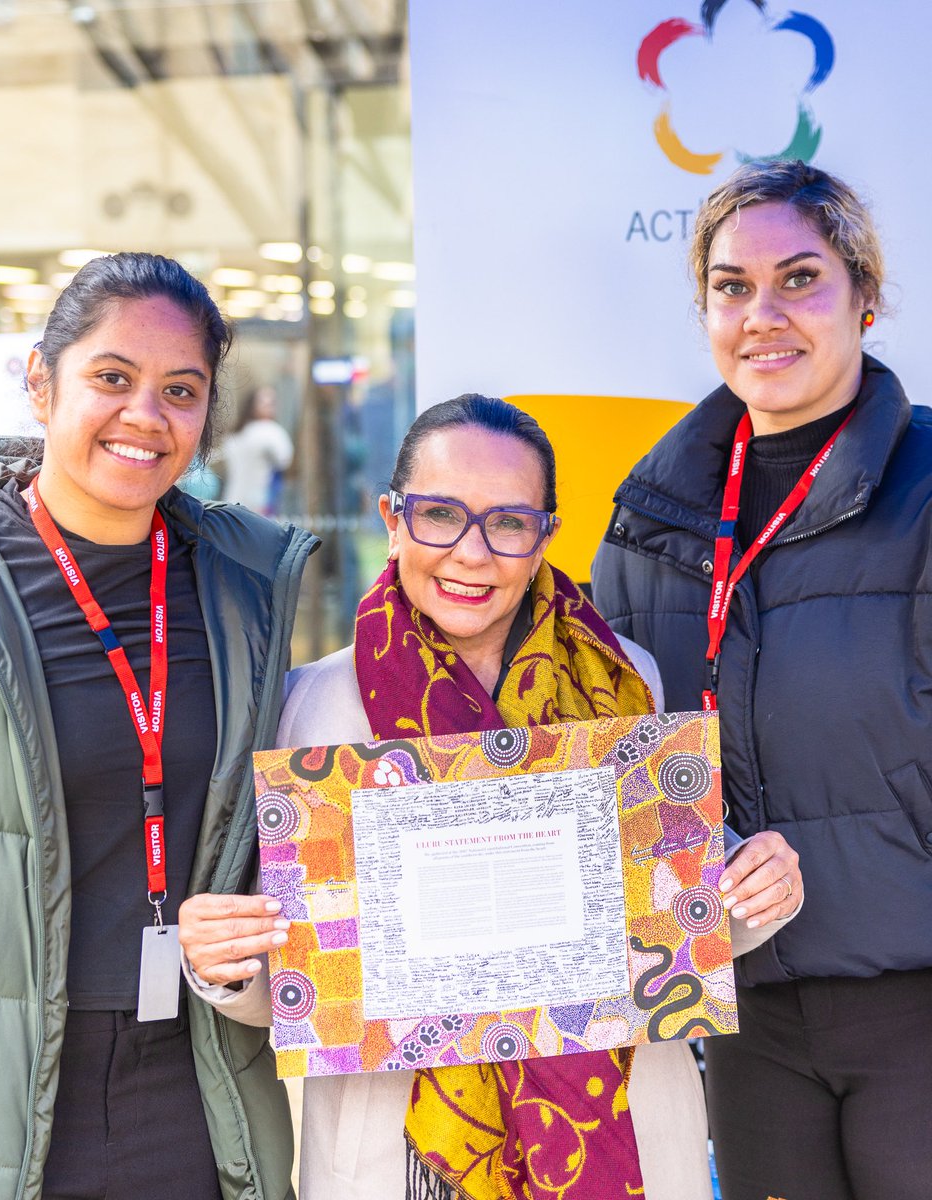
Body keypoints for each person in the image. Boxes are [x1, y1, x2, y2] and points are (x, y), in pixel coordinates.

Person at [181, 394, 800, 1200]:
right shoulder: (311, 709)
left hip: (610, 1127)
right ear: (392, 519)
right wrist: (227, 966)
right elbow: (301, 988)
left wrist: (756, 892)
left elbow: (675, 923)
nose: (471, 554)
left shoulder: (624, 683)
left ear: (545, 534)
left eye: (508, 522)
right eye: (440, 514)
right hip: (400, 1145)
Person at [592, 159, 932, 1200]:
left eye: (801, 278)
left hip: (914, 1007)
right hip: (739, 1012)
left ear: (865, 298)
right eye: (733, 286)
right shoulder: (649, 521)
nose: (763, 314)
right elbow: (610, 761)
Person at [0, 252, 316, 1200]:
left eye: (180, 390)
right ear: (39, 384)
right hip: (3, 1076)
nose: (145, 416)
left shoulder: (246, 585)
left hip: (197, 1071)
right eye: (111, 379)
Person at [221, 383, 294, 515]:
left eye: (272, 402)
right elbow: (285, 460)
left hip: (233, 500)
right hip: (261, 503)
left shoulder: (235, 434)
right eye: (264, 402)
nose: (268, 406)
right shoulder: (272, 431)